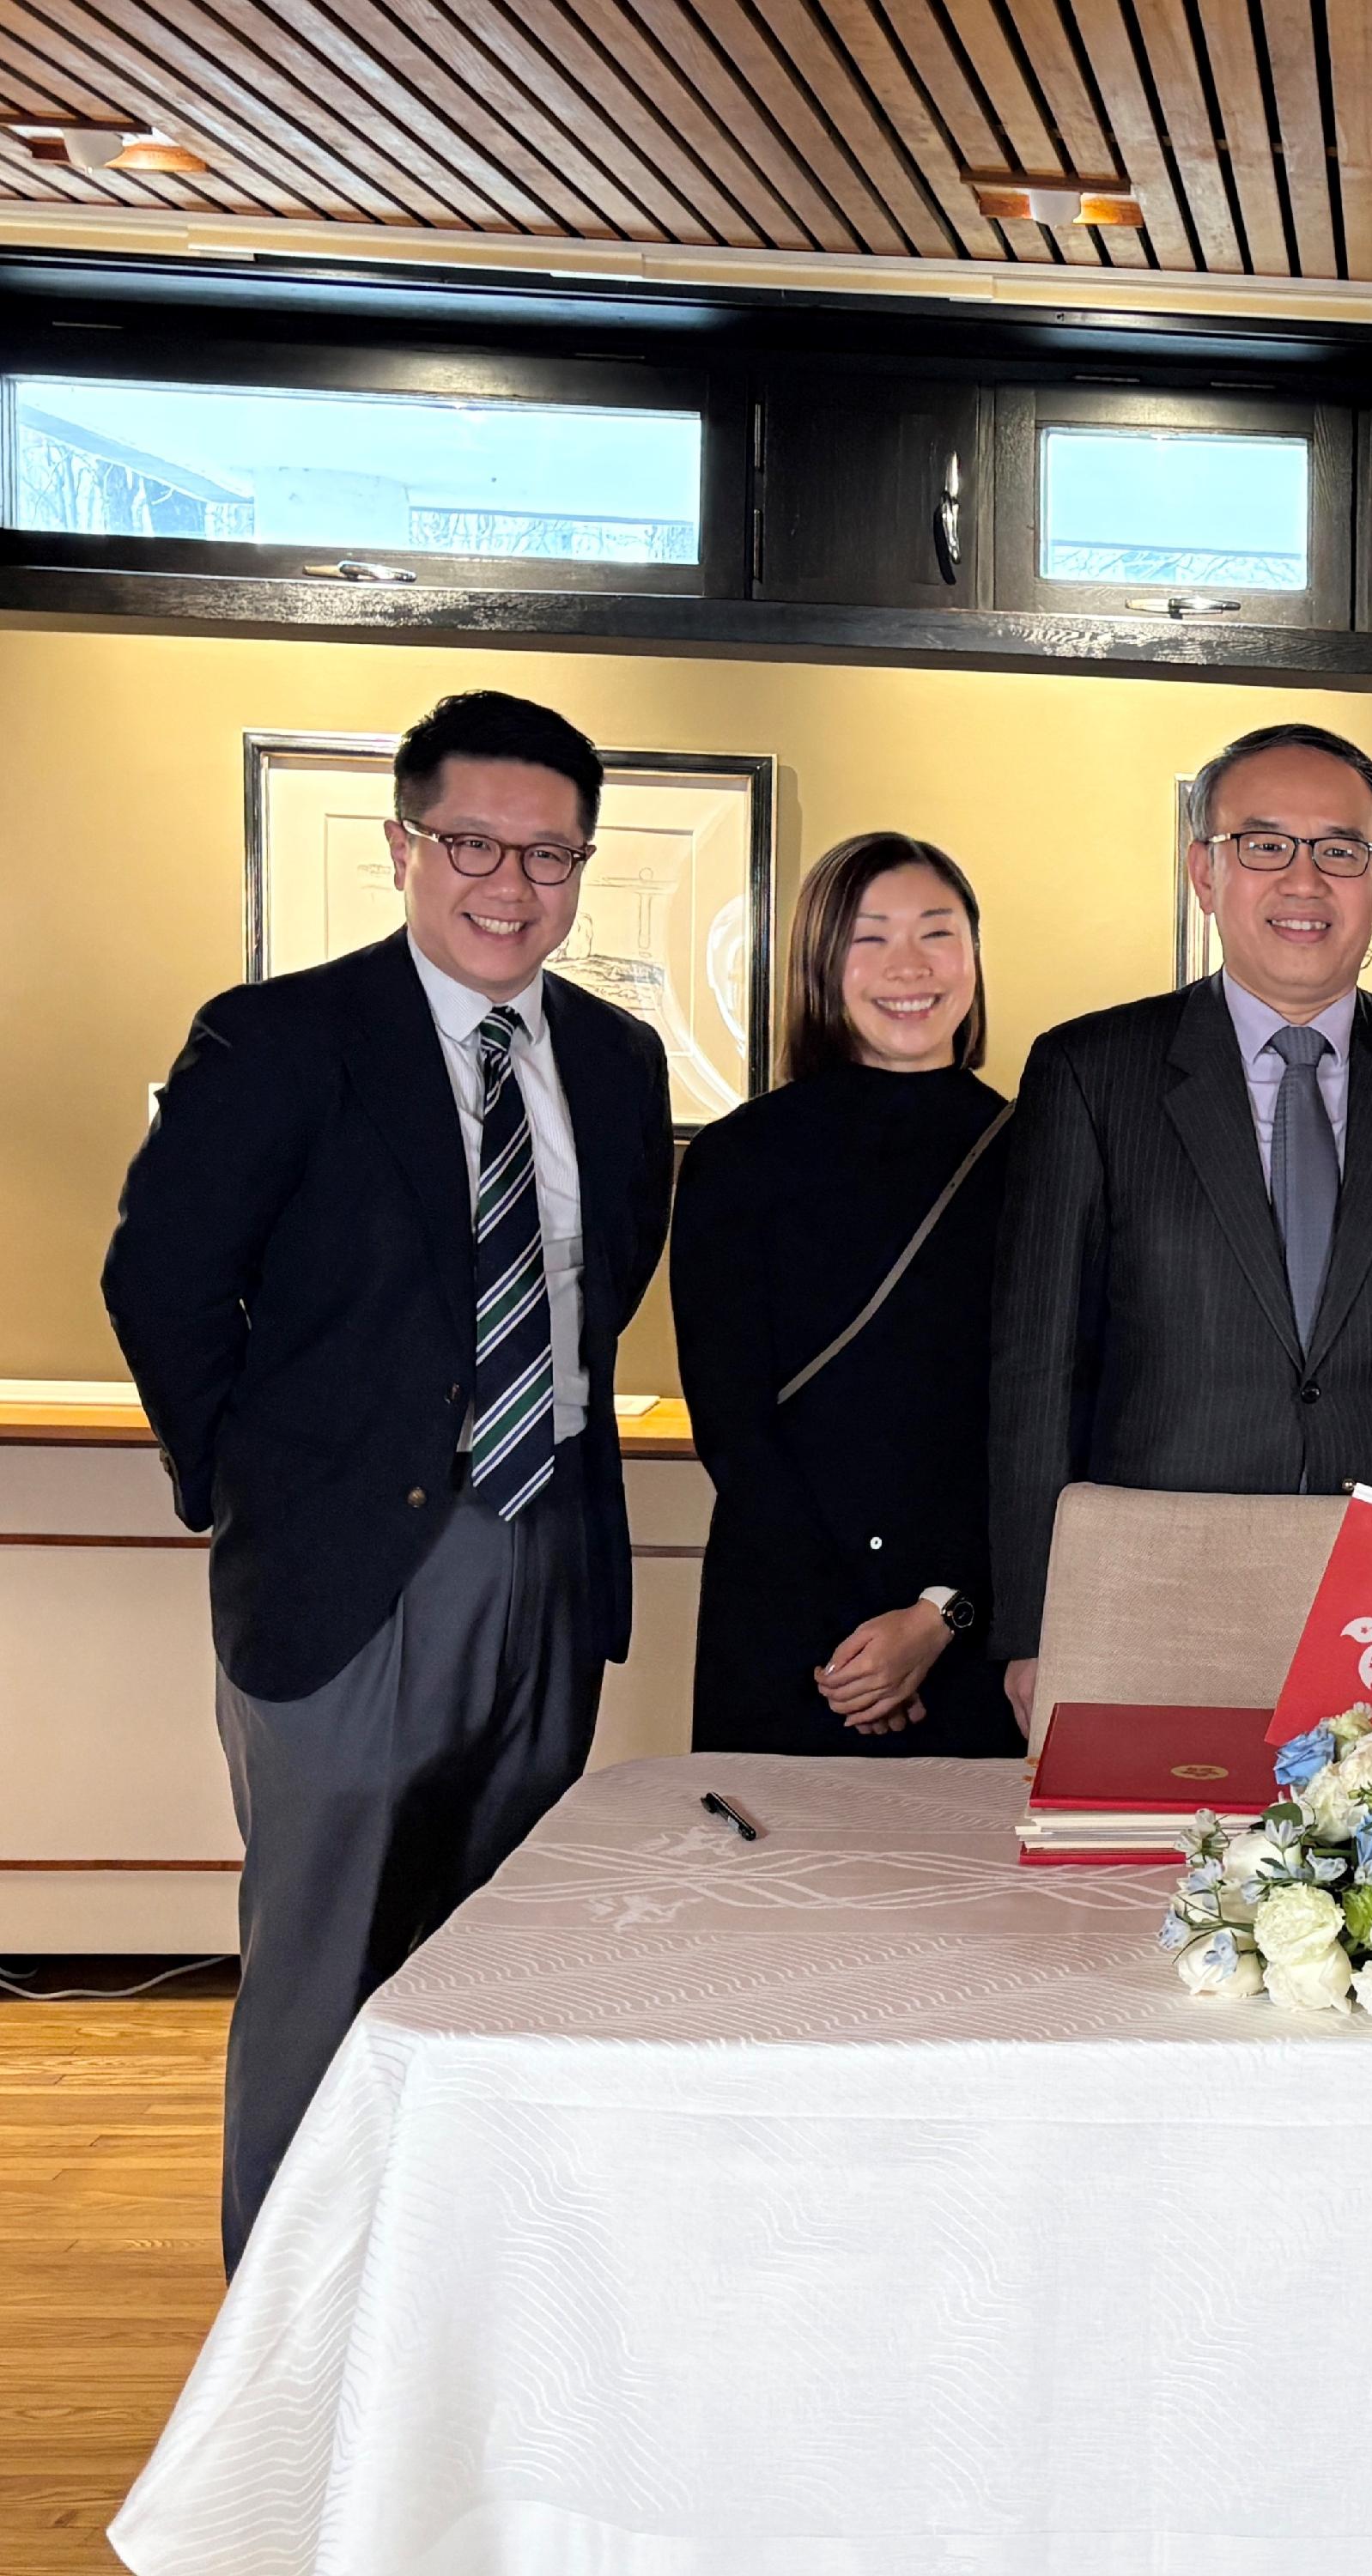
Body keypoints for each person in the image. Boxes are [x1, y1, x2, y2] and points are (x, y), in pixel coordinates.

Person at [101, 690, 673, 2267]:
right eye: (473, 843)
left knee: (496, 1955)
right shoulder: (281, 1037)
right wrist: (248, 1487)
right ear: (404, 847)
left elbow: (596, 1285)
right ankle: (286, 2345)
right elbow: (162, 1281)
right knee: (322, 1966)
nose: (511, 884)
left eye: (550, 854)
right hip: (346, 1578)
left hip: (547, 1554)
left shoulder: (617, 1063)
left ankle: (452, 2298)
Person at [990, 724, 1372, 1728]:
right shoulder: (1089, 1073)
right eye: (1263, 845)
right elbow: (1038, 1368)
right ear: (1204, 871)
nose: (1304, 879)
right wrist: (1034, 1623)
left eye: (1340, 850)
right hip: (1156, 1578)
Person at [673, 833, 1018, 1757]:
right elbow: (733, 1427)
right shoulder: (736, 1159)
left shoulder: (1045, 1155)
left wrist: (941, 1615)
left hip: (973, 1636)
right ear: (822, 965)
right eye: (869, 938)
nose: (909, 966)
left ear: (974, 956)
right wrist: (857, 1645)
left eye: (937, 934)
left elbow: (1053, 1420)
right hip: (791, 1629)